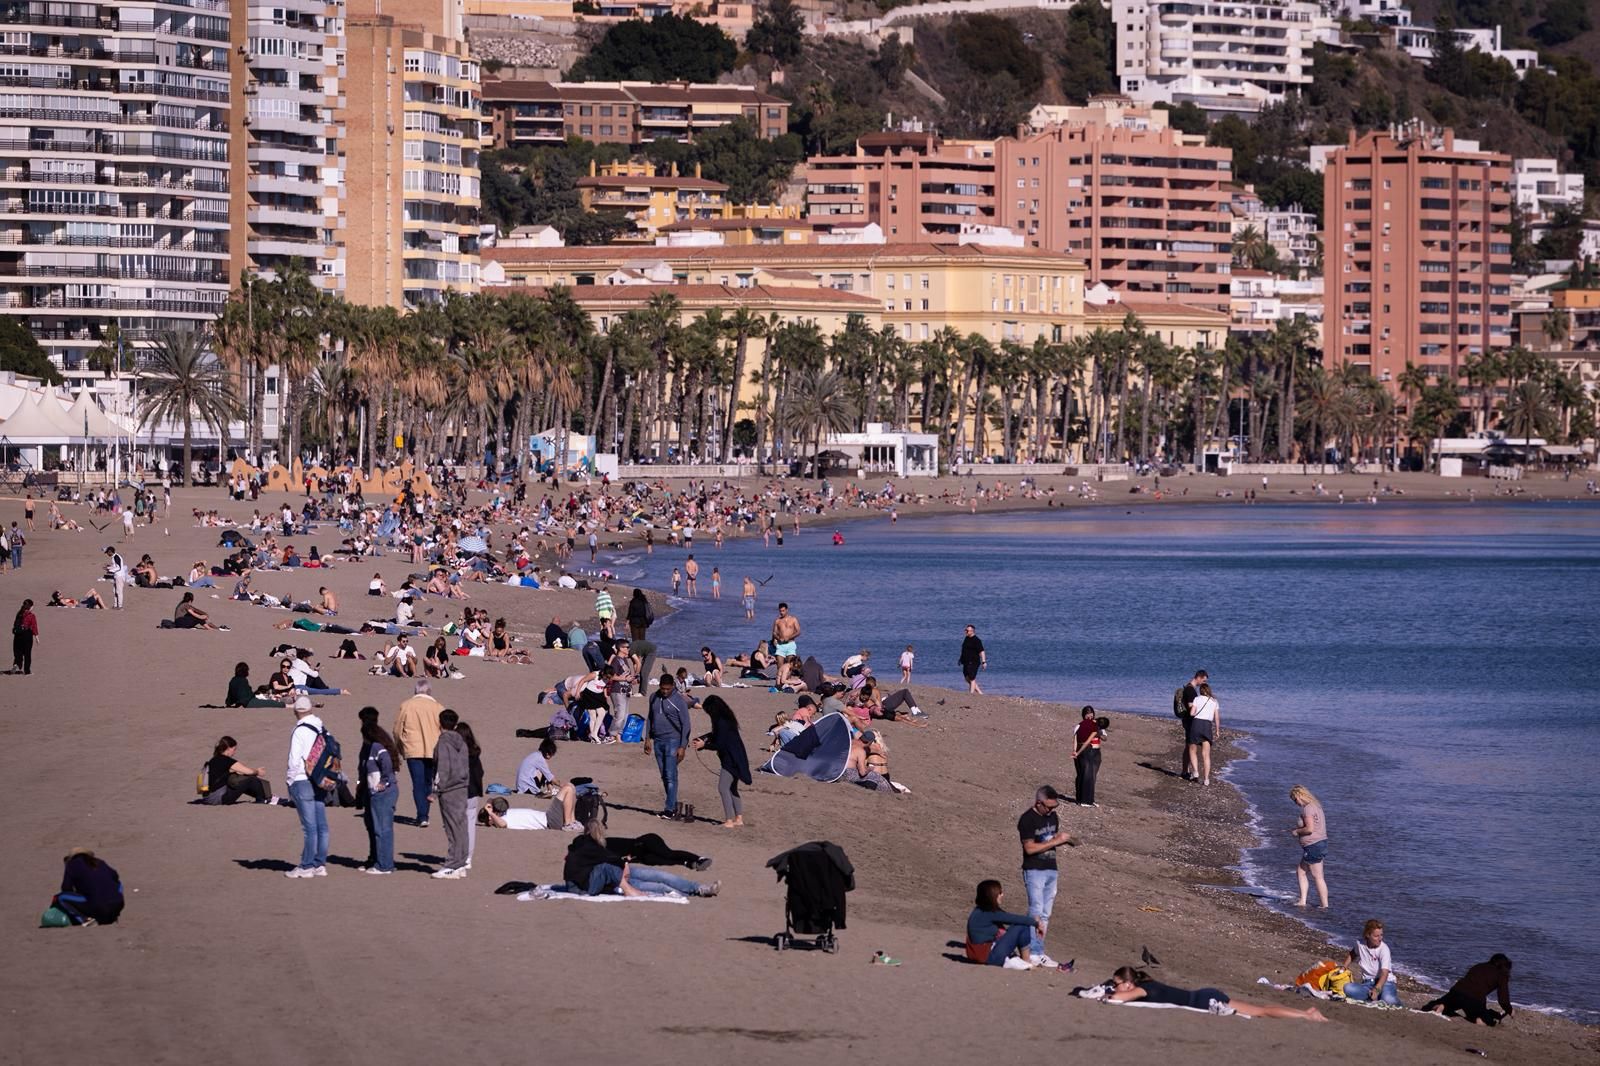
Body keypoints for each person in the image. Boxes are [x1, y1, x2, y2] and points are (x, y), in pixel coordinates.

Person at [561, 822, 719, 898]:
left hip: (613, 874)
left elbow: (607, 858)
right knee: (659, 885)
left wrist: (623, 864)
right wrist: (623, 863)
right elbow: (605, 859)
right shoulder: (585, 845)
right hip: (601, 882)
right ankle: (693, 892)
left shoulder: (592, 846)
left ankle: (699, 888)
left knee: (660, 875)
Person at [1107, 967, 1328, 1021]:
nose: (1114, 987)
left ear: (1128, 984)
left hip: (1205, 1000)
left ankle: (1306, 1016)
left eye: (1116, 984)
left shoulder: (1144, 989)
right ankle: (1305, 1012)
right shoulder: (1148, 984)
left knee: (1261, 1012)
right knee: (1261, 1010)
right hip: (1204, 995)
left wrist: (1109, 992)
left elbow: (1117, 998)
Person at [1018, 785, 1074, 970]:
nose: (1051, 810)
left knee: (1046, 913)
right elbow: (1029, 848)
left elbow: (1049, 840)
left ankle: (1039, 951)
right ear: (1038, 803)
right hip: (1034, 869)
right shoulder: (1027, 819)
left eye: (1054, 807)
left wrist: (1063, 840)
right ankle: (1032, 952)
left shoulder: (1053, 817)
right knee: (1035, 910)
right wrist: (1056, 841)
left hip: (1051, 868)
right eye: (1049, 807)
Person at [284, 696, 332, 878]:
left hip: (302, 779)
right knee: (321, 826)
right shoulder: (320, 727)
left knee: (309, 827)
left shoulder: (299, 730)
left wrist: (290, 779)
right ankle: (319, 864)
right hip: (319, 779)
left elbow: (294, 759)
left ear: (296, 711)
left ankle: (306, 866)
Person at [692, 695, 750, 828]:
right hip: (737, 757)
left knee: (723, 788)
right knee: (732, 788)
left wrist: (704, 745)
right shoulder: (726, 719)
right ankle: (738, 818)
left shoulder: (721, 722)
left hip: (730, 760)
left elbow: (720, 744)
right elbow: (718, 736)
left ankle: (729, 820)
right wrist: (704, 738)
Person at [393, 681, 444, 827]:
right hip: (433, 749)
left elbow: (397, 730)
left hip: (413, 749)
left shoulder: (406, 705)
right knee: (428, 782)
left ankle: (422, 815)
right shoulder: (438, 707)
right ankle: (424, 814)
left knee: (418, 783)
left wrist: (400, 747)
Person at [965, 878, 1044, 969]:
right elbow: (1014, 919)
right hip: (989, 958)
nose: (1002, 895)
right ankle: (1026, 961)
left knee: (1018, 925)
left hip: (983, 955)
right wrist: (1036, 923)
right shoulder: (989, 913)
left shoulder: (981, 911)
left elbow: (1006, 917)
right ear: (991, 895)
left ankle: (1022, 961)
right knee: (1022, 926)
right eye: (1000, 893)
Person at [644, 672, 691, 817]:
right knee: (664, 775)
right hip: (658, 741)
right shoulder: (653, 697)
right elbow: (650, 718)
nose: (665, 691)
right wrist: (647, 738)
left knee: (670, 775)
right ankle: (673, 805)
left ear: (673, 687)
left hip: (673, 741)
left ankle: (669, 809)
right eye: (663, 688)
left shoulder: (679, 701)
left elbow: (686, 725)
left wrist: (682, 746)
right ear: (659, 686)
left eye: (668, 689)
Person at [431, 708, 470, 879]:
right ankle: (460, 863)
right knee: (461, 827)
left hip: (449, 790)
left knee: (452, 828)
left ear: (439, 723)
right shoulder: (462, 742)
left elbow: (443, 769)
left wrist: (435, 791)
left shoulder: (443, 743)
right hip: (462, 787)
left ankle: (452, 865)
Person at [1421, 954, 1514, 1026]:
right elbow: (1503, 999)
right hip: (1474, 999)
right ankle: (1479, 1019)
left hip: (1457, 992)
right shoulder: (1502, 975)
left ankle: (1442, 1006)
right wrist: (1509, 1010)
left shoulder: (1478, 966)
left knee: (1438, 1004)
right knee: (1487, 1019)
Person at [205, 736, 289, 805]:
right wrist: (258, 771)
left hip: (209, 797)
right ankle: (265, 798)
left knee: (241, 780)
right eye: (234, 749)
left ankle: (266, 797)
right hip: (218, 798)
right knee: (250, 779)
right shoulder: (226, 760)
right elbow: (248, 771)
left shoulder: (213, 760)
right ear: (228, 748)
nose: (234, 752)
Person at [52, 849, 124, 926]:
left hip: (97, 905)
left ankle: (85, 920)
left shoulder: (72, 864)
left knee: (60, 897)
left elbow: (66, 888)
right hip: (118, 904)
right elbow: (115, 876)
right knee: (119, 885)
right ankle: (112, 916)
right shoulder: (100, 862)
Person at [1289, 784, 1329, 908]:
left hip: (1313, 846)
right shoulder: (1316, 806)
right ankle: (1311, 902)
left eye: (1295, 800)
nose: (1296, 803)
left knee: (1314, 876)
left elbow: (1309, 829)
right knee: (1306, 873)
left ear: (1299, 796)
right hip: (1320, 844)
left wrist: (1297, 831)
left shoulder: (1308, 809)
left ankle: (1320, 904)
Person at [1343, 919, 1401, 1004]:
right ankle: (1373, 997)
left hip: (1385, 982)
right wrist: (1344, 967)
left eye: (1381, 935)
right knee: (1348, 988)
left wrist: (1377, 989)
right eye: (1376, 936)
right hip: (1368, 983)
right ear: (1368, 935)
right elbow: (1353, 953)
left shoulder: (1384, 949)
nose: (1380, 938)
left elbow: (1385, 973)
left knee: (1388, 999)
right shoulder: (1360, 944)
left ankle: (1397, 1004)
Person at [1177, 669, 1208, 780]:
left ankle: (1185, 771)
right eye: (1203, 681)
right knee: (1191, 747)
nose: (1204, 683)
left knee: (1188, 747)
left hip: (1187, 720)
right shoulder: (1190, 691)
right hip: (1190, 722)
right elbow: (1191, 708)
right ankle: (1189, 771)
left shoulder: (1188, 688)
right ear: (1198, 677)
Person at [1185, 682, 1218, 786]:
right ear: (1209, 690)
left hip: (1196, 724)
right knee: (1206, 755)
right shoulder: (1214, 701)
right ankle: (1206, 779)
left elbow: (1192, 713)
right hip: (1207, 726)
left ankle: (1195, 772)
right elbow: (1216, 718)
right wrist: (1217, 730)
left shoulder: (1197, 699)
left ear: (1200, 691)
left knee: (1192, 749)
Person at [1072, 706, 1102, 806]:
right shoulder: (1080, 726)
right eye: (1087, 714)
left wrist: (1099, 732)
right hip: (1085, 751)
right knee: (1083, 775)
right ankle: (1082, 799)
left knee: (1091, 776)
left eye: (1091, 713)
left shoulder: (1097, 725)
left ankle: (1089, 799)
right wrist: (1075, 751)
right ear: (1083, 715)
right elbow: (1076, 740)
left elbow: (1104, 737)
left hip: (1095, 752)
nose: (1089, 716)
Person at [12, 598, 37, 675]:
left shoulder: (19, 613)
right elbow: (34, 626)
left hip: (17, 635)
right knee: (27, 653)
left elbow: (15, 624)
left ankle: (16, 663)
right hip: (27, 635)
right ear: (30, 607)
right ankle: (27, 671)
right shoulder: (31, 615)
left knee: (18, 651)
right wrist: (36, 636)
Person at [771, 601, 801, 666]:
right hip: (781, 645)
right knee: (779, 666)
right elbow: (774, 633)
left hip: (790, 644)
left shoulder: (793, 619)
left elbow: (798, 632)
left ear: (787, 610)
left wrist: (789, 637)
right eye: (780, 611)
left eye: (783, 611)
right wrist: (778, 638)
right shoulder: (777, 621)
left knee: (790, 665)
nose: (781, 613)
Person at [959, 624, 986, 694]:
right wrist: (960, 659)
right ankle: (980, 693)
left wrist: (983, 662)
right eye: (965, 630)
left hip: (974, 662)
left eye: (967, 630)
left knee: (972, 678)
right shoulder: (966, 638)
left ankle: (971, 694)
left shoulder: (977, 640)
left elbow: (982, 651)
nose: (965, 631)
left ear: (972, 631)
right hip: (966, 662)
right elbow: (964, 649)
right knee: (967, 678)